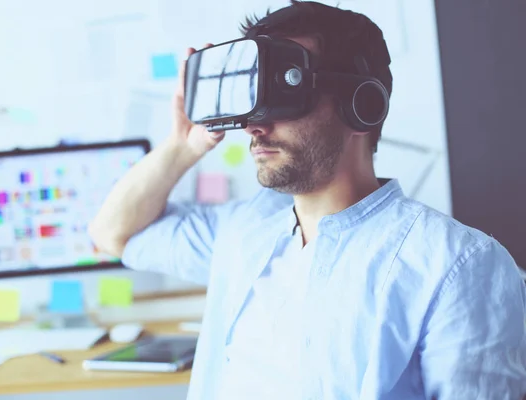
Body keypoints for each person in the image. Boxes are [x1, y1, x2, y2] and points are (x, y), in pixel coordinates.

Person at [88, 1, 526, 399]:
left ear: (362, 104)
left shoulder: (458, 266)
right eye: (251, 97)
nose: (255, 124)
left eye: (281, 92)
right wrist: (182, 148)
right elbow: (112, 234)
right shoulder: (242, 233)